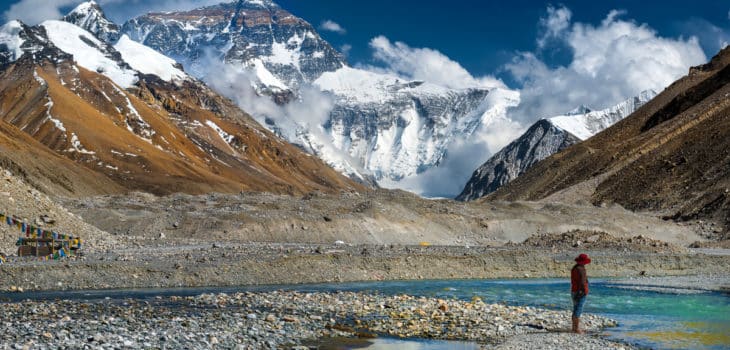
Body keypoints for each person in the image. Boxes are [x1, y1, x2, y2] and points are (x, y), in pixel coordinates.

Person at [571, 253, 591, 334]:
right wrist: (583, 291)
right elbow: (583, 282)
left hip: (574, 290)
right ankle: (576, 329)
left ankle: (574, 327)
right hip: (580, 292)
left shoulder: (575, 268)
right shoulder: (581, 269)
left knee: (575, 308)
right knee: (578, 310)